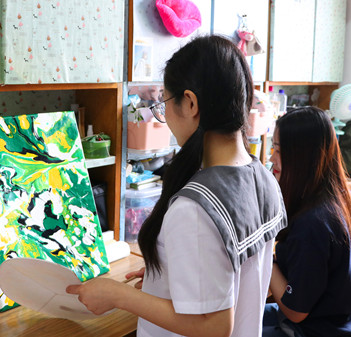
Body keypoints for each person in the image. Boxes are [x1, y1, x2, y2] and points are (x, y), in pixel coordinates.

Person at [67, 35, 287, 337]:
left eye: (165, 103)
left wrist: (117, 295)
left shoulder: (195, 208)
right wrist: (169, 275)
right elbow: (236, 275)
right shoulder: (264, 178)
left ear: (191, 103)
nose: (165, 115)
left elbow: (214, 327)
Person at [263, 107, 351, 337]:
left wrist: (266, 258)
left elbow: (295, 312)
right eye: (273, 148)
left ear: (304, 157)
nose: (272, 159)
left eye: (279, 150)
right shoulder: (341, 198)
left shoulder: (312, 224)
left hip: (321, 329)